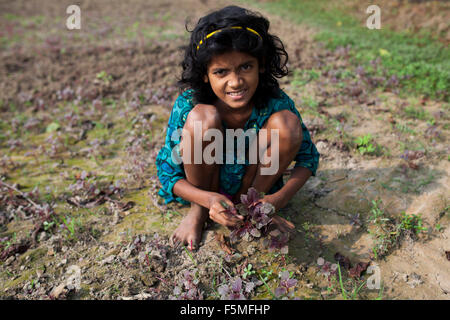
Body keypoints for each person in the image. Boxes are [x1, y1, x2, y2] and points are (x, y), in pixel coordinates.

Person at [155, 5, 320, 249]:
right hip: (205, 185)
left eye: (245, 67)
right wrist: (207, 199)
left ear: (261, 64)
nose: (236, 82)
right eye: (221, 72)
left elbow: (308, 159)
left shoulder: (275, 103)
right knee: (203, 119)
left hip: (255, 183)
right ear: (204, 75)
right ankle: (198, 213)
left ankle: (253, 209)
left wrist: (279, 199)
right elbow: (167, 172)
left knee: (286, 124)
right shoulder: (189, 105)